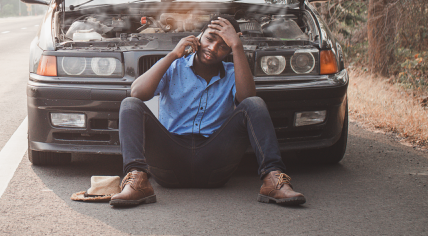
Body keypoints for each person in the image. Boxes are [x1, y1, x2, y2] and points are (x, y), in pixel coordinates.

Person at [109, 15, 305, 207]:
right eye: (210, 39)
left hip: (215, 164)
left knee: (255, 103)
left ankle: (274, 180)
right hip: (170, 162)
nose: (213, 48)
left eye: (223, 46)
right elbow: (137, 92)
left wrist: (237, 45)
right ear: (199, 36)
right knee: (130, 104)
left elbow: (247, 99)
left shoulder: (232, 73)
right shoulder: (175, 66)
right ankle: (136, 181)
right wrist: (172, 55)